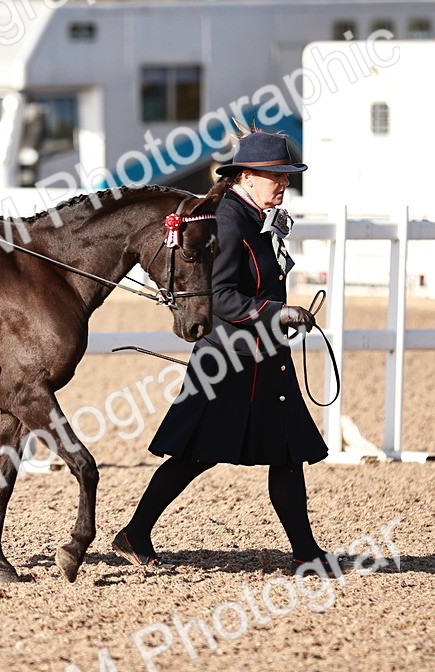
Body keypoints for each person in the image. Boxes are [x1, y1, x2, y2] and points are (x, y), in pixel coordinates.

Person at [112, 130, 335, 574]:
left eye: (286, 176)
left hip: (263, 357)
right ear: (248, 176)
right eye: (277, 176)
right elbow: (221, 296)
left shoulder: (255, 216)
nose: (284, 184)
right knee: (196, 454)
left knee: (287, 453)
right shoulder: (229, 220)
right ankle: (135, 532)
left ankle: (307, 551)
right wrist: (277, 312)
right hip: (231, 360)